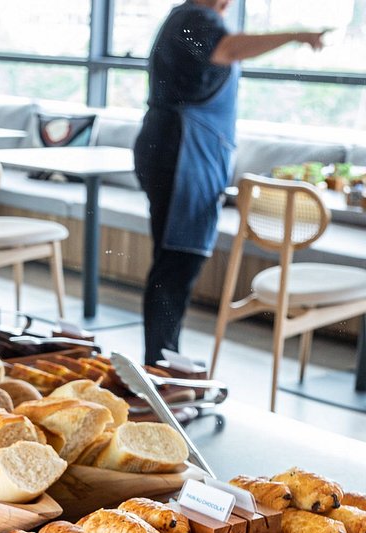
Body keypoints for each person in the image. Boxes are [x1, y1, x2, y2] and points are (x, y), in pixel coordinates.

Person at [134, 0, 327, 367]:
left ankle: (163, 359)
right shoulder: (197, 18)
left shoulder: (189, 17)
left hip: (176, 148)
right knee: (177, 260)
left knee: (175, 260)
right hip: (182, 151)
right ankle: (160, 365)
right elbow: (231, 49)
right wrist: (297, 36)